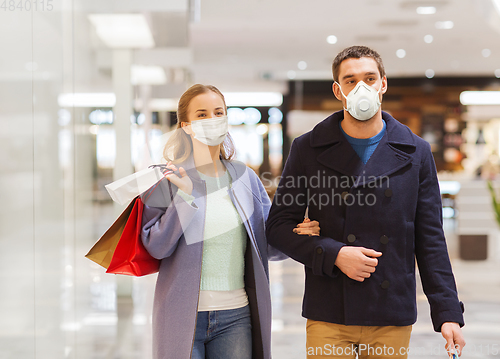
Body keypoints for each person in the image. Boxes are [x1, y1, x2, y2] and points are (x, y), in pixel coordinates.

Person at [265, 46, 465, 359]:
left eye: (369, 78)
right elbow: (277, 226)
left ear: (383, 84)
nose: (361, 87)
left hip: (390, 310)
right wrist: (334, 253)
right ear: (338, 90)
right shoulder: (308, 148)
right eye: (350, 80)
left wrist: (447, 310)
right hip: (329, 308)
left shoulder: (416, 152)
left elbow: (430, 238)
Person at [140, 84, 320, 359]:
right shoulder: (169, 180)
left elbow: (267, 244)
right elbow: (157, 247)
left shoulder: (245, 178)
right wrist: (185, 198)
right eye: (202, 115)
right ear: (186, 126)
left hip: (236, 317)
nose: (212, 120)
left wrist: (295, 233)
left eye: (218, 112)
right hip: (182, 315)